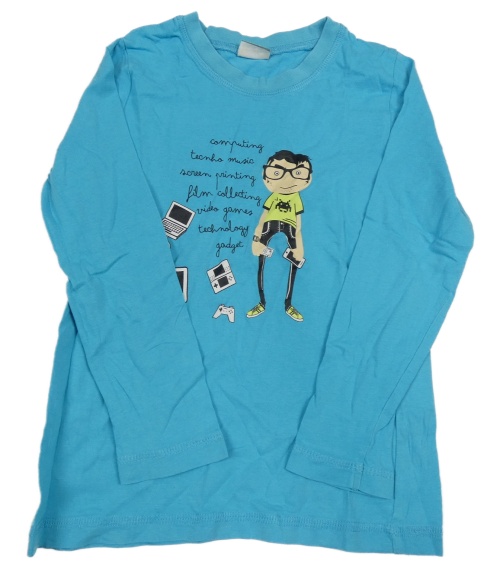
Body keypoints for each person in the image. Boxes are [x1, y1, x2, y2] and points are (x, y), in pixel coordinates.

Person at [247, 150, 313, 321]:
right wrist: (256, 239)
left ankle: (288, 304)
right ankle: (262, 302)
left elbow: (298, 224)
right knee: (261, 262)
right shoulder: (274, 196)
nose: (286, 180)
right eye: (277, 173)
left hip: (290, 227)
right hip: (270, 224)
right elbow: (263, 218)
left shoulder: (296, 198)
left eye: (296, 173)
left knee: (294, 263)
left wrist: (299, 247)